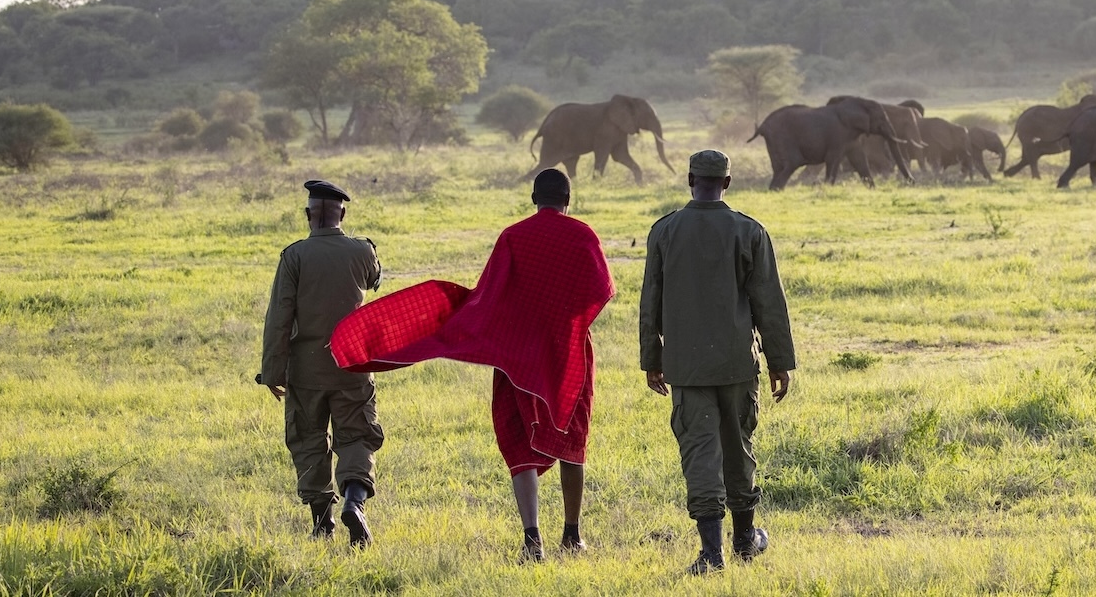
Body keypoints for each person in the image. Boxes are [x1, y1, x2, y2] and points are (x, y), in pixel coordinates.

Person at [326, 168, 614, 563]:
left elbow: (488, 297)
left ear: (533, 198)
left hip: (515, 357)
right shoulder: (584, 236)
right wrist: (564, 325)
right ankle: (572, 534)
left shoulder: (512, 236)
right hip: (569, 353)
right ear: (569, 199)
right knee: (571, 438)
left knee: (519, 440)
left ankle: (532, 539)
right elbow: (602, 292)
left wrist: (461, 322)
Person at [640, 149, 796, 574]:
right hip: (736, 363)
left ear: (690, 179)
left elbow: (650, 300)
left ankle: (712, 553)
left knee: (699, 453)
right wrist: (780, 361)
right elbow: (769, 303)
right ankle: (745, 540)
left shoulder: (665, 231)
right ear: (727, 183)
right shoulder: (749, 231)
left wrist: (651, 358)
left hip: (685, 366)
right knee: (737, 448)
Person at [260, 179, 383, 548]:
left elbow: (279, 317)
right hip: (353, 367)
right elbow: (376, 280)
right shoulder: (362, 251)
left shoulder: (294, 256)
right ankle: (355, 503)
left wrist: (272, 371)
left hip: (306, 370)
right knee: (358, 435)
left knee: (308, 441)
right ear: (342, 214)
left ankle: (323, 521)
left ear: (307, 215)